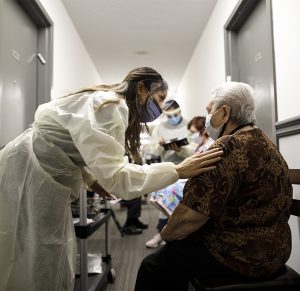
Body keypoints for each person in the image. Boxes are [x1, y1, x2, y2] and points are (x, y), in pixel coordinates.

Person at [0, 67, 223, 291]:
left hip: (36, 165)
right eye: (160, 98)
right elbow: (118, 178)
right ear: (142, 89)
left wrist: (91, 179)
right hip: (30, 170)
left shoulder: (107, 101)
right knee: (37, 251)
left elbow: (72, 147)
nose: (161, 109)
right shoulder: (112, 107)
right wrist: (178, 170)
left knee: (30, 247)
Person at [135, 82, 292, 291]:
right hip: (276, 250)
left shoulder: (227, 146)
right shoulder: (266, 142)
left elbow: (187, 219)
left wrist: (166, 235)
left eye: (210, 111)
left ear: (225, 112)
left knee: (153, 265)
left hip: (240, 256)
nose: (207, 118)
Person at [145, 100, 197, 248]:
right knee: (164, 203)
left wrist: (181, 150)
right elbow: (151, 149)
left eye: (175, 114)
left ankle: (183, 237)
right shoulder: (160, 127)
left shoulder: (189, 125)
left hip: (189, 168)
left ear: (180, 111)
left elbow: (196, 149)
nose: (173, 118)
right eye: (169, 115)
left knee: (185, 204)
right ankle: (161, 233)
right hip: (168, 169)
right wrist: (161, 146)